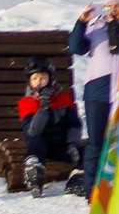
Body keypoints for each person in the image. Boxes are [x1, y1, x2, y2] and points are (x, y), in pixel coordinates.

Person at [68, 0, 119, 193]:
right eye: (109, 6)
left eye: (118, 6)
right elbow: (75, 46)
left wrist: (116, 25)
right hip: (97, 88)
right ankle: (91, 188)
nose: (113, 10)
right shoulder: (95, 28)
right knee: (96, 140)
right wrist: (81, 22)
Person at [16, 60, 81, 190]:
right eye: (35, 78)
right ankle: (34, 170)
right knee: (36, 143)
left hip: (60, 143)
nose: (39, 82)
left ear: (50, 78)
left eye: (43, 77)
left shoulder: (64, 98)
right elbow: (33, 131)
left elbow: (74, 125)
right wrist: (43, 107)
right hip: (39, 143)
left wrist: (73, 144)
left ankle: (78, 177)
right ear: (29, 81)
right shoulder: (26, 102)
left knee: (84, 152)